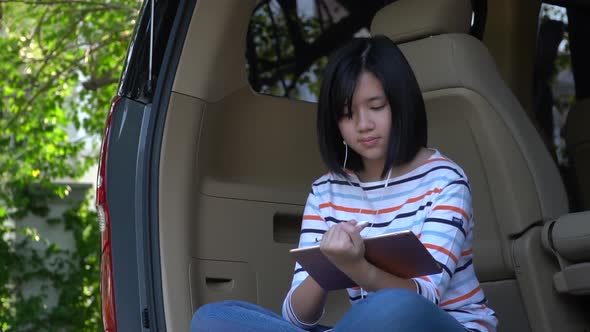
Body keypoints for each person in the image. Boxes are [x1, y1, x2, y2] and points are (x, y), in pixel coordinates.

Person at [191, 35, 498, 332]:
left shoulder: (445, 180)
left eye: (376, 107)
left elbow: (425, 298)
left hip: (435, 324)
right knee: (214, 318)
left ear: (401, 104)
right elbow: (297, 317)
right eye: (347, 114)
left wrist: (357, 268)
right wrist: (328, 263)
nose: (363, 125)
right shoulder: (327, 192)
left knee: (393, 307)